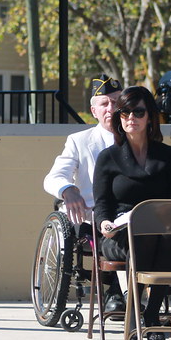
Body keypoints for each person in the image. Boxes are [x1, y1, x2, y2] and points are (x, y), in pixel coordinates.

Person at [93, 86, 171, 340]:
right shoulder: (108, 157)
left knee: (167, 237)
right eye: (124, 113)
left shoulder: (167, 156)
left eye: (138, 112)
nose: (131, 117)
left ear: (150, 117)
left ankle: (152, 313)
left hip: (161, 229)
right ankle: (135, 315)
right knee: (142, 237)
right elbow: (102, 204)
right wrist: (104, 223)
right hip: (119, 234)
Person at [43, 75, 124, 311]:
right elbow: (53, 177)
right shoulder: (79, 141)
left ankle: (125, 294)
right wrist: (68, 190)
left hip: (126, 218)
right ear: (94, 111)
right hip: (89, 219)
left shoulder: (136, 139)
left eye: (116, 102)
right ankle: (116, 293)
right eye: (105, 103)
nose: (111, 108)